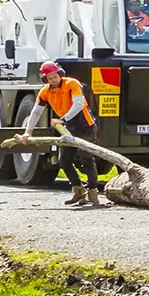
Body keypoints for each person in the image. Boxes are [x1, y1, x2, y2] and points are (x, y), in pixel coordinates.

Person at [26, 61, 104, 207]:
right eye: (49, 78)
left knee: (86, 159)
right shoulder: (45, 92)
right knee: (64, 161)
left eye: (55, 76)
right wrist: (27, 132)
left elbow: (79, 104)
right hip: (68, 129)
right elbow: (36, 112)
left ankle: (93, 192)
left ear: (60, 74)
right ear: (45, 79)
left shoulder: (72, 84)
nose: (53, 80)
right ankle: (78, 190)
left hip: (85, 126)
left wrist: (62, 119)